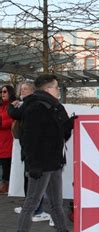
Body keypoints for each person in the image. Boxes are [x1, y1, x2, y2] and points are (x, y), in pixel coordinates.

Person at [14, 74, 84, 232]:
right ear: (47, 89)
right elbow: (30, 138)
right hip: (41, 164)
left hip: (53, 162)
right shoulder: (36, 107)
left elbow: (58, 134)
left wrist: (70, 124)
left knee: (56, 203)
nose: (58, 89)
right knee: (31, 202)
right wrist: (34, 164)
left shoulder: (53, 106)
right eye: (55, 87)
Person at [8, 81, 51, 224]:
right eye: (21, 89)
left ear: (32, 91)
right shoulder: (28, 103)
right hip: (29, 148)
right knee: (30, 180)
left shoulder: (30, 104)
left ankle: (36, 210)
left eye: (26, 89)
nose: (23, 91)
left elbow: (15, 114)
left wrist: (10, 106)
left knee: (35, 181)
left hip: (33, 150)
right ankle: (32, 208)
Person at [0, 84, 15, 194]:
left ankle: (6, 185)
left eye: (5, 91)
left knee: (6, 163)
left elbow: (14, 120)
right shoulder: (1, 106)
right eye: (1, 92)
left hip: (8, 140)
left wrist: (1, 123)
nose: (2, 94)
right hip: (1, 140)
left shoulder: (13, 105)